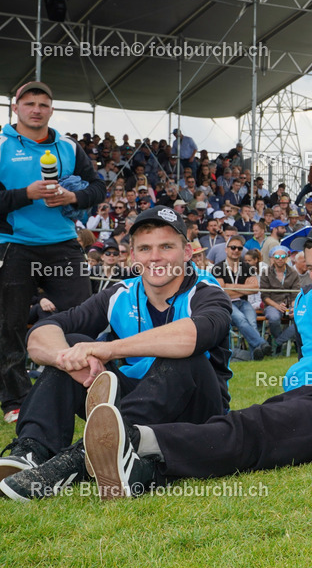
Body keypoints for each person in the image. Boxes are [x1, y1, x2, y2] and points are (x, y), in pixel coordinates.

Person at [80, 220, 312, 500]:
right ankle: (143, 471)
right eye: (310, 267)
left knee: (256, 430)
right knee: (250, 424)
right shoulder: (305, 302)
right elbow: (310, 356)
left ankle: (138, 440)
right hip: (303, 394)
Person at [0, 206, 232, 500]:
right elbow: (41, 333)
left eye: (166, 247)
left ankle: (83, 454)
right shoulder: (120, 293)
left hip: (196, 411)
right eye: (145, 248)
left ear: (187, 253)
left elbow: (193, 336)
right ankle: (32, 450)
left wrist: (107, 349)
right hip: (139, 401)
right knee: (71, 342)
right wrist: (68, 359)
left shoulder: (207, 290)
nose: (155, 257)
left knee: (186, 358)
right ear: (133, 256)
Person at [0, 81, 106, 424]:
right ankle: (15, 401)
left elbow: (98, 187)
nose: (36, 110)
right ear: (15, 107)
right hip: (14, 244)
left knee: (84, 316)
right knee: (10, 323)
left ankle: (84, 388)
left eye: (43, 104)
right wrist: (25, 194)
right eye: (29, 103)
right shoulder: (1, 144)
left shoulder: (69, 146)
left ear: (51, 109)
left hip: (62, 243)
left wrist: (73, 197)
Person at [210, 235, 271, 360]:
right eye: (233, 247)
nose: (236, 250)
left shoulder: (247, 267)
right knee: (241, 320)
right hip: (226, 303)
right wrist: (244, 289)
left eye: (239, 248)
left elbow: (255, 288)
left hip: (243, 302)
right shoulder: (218, 268)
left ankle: (256, 356)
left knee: (252, 322)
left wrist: (230, 286)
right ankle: (261, 344)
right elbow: (222, 291)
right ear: (226, 249)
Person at [261, 245, 301, 353]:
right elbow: (265, 296)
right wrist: (277, 306)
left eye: (283, 256)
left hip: (289, 304)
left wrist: (293, 307)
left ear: (287, 258)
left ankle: (277, 342)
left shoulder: (293, 273)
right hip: (272, 304)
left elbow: (295, 293)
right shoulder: (266, 272)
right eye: (277, 256)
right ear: (272, 258)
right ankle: (279, 342)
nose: (280, 259)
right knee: (273, 318)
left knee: (300, 318)